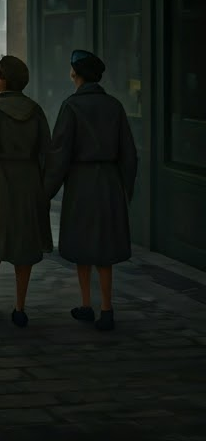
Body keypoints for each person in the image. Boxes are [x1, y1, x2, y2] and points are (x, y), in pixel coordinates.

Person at [45, 49, 138, 332]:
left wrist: (46, 192)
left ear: (75, 74)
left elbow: (59, 155)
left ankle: (86, 304)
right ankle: (107, 308)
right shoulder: (114, 106)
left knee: (81, 245)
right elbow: (129, 155)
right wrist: (125, 190)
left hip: (81, 182)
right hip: (109, 182)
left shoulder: (71, 106)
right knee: (105, 250)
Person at [0, 55, 53, 328]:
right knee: (25, 241)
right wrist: (45, 188)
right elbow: (47, 152)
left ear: (3, 79)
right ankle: (20, 306)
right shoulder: (35, 110)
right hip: (28, 181)